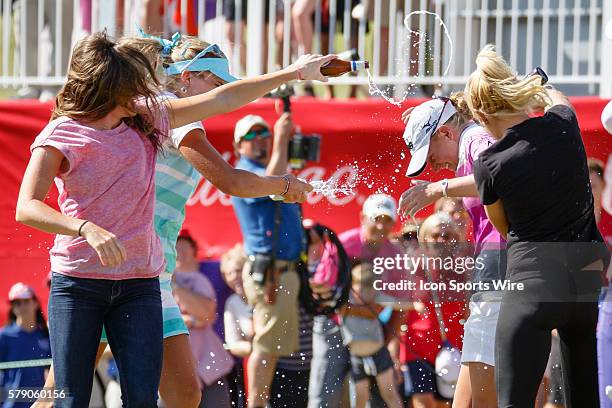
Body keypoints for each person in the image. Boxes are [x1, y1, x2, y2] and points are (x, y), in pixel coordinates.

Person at [16, 30, 332, 407]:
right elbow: (229, 180)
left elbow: (226, 98)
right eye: (212, 79)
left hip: (146, 273)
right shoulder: (158, 113)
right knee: (62, 396)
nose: (217, 89)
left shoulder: (149, 114)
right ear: (185, 76)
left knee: (181, 394)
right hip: (99, 270)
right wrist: (281, 185)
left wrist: (294, 73)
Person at [464, 44, 609, 407]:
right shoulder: (564, 122)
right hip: (583, 279)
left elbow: (505, 228)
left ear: (481, 113)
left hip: (533, 286)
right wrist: (537, 85)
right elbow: (559, 98)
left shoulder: (489, 163)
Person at [398, 92, 506, 408]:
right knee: (475, 369)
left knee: (482, 372)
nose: (433, 165)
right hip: (495, 267)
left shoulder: (474, 139)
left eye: (429, 155)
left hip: (500, 265)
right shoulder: (471, 141)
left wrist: (436, 189)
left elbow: (497, 177)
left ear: (445, 132)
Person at [231, 112, 307, 408]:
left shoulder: (263, 172)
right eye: (251, 136)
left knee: (272, 346)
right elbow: (274, 184)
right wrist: (281, 140)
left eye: (263, 134)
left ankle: (260, 403)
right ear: (239, 146)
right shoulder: (245, 173)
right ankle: (256, 405)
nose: (259, 140)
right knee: (264, 346)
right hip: (270, 271)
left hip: (282, 269)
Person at [307, 193, 406, 408]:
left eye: (387, 220)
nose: (381, 226)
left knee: (377, 395)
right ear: (363, 218)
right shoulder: (343, 243)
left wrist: (388, 339)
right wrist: (354, 310)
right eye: (376, 219)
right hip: (333, 325)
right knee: (326, 391)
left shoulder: (395, 255)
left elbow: (402, 304)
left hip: (373, 330)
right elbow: (321, 291)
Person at [400, 213, 467, 408]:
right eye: (435, 235)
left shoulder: (466, 268)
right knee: (424, 403)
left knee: (450, 404)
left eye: (447, 236)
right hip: (417, 348)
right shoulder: (411, 266)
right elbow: (399, 310)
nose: (441, 240)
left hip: (455, 348)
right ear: (425, 238)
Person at [173, 231, 234, 408]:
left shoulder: (198, 280)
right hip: (174, 371)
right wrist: (188, 320)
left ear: (193, 252)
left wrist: (175, 286)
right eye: (177, 247)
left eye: (184, 247)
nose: (180, 252)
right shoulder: (152, 282)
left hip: (209, 369)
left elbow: (206, 314)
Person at [339, 263, 405, 408]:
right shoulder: (344, 298)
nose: (366, 293)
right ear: (353, 286)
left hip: (378, 352)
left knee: (390, 394)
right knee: (359, 399)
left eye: (370, 290)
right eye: (362, 289)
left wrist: (416, 305)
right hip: (356, 355)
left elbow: (397, 303)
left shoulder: (377, 297)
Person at [0, 283, 51, 408]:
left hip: (42, 404)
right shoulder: (4, 336)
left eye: (26, 301)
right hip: (10, 404)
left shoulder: (47, 335)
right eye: (17, 303)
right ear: (12, 307)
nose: (22, 306)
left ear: (35, 303)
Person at [221, 243, 252, 408]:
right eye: (229, 273)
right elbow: (233, 344)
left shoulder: (266, 295)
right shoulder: (232, 303)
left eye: (238, 270)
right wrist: (260, 349)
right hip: (252, 369)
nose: (234, 277)